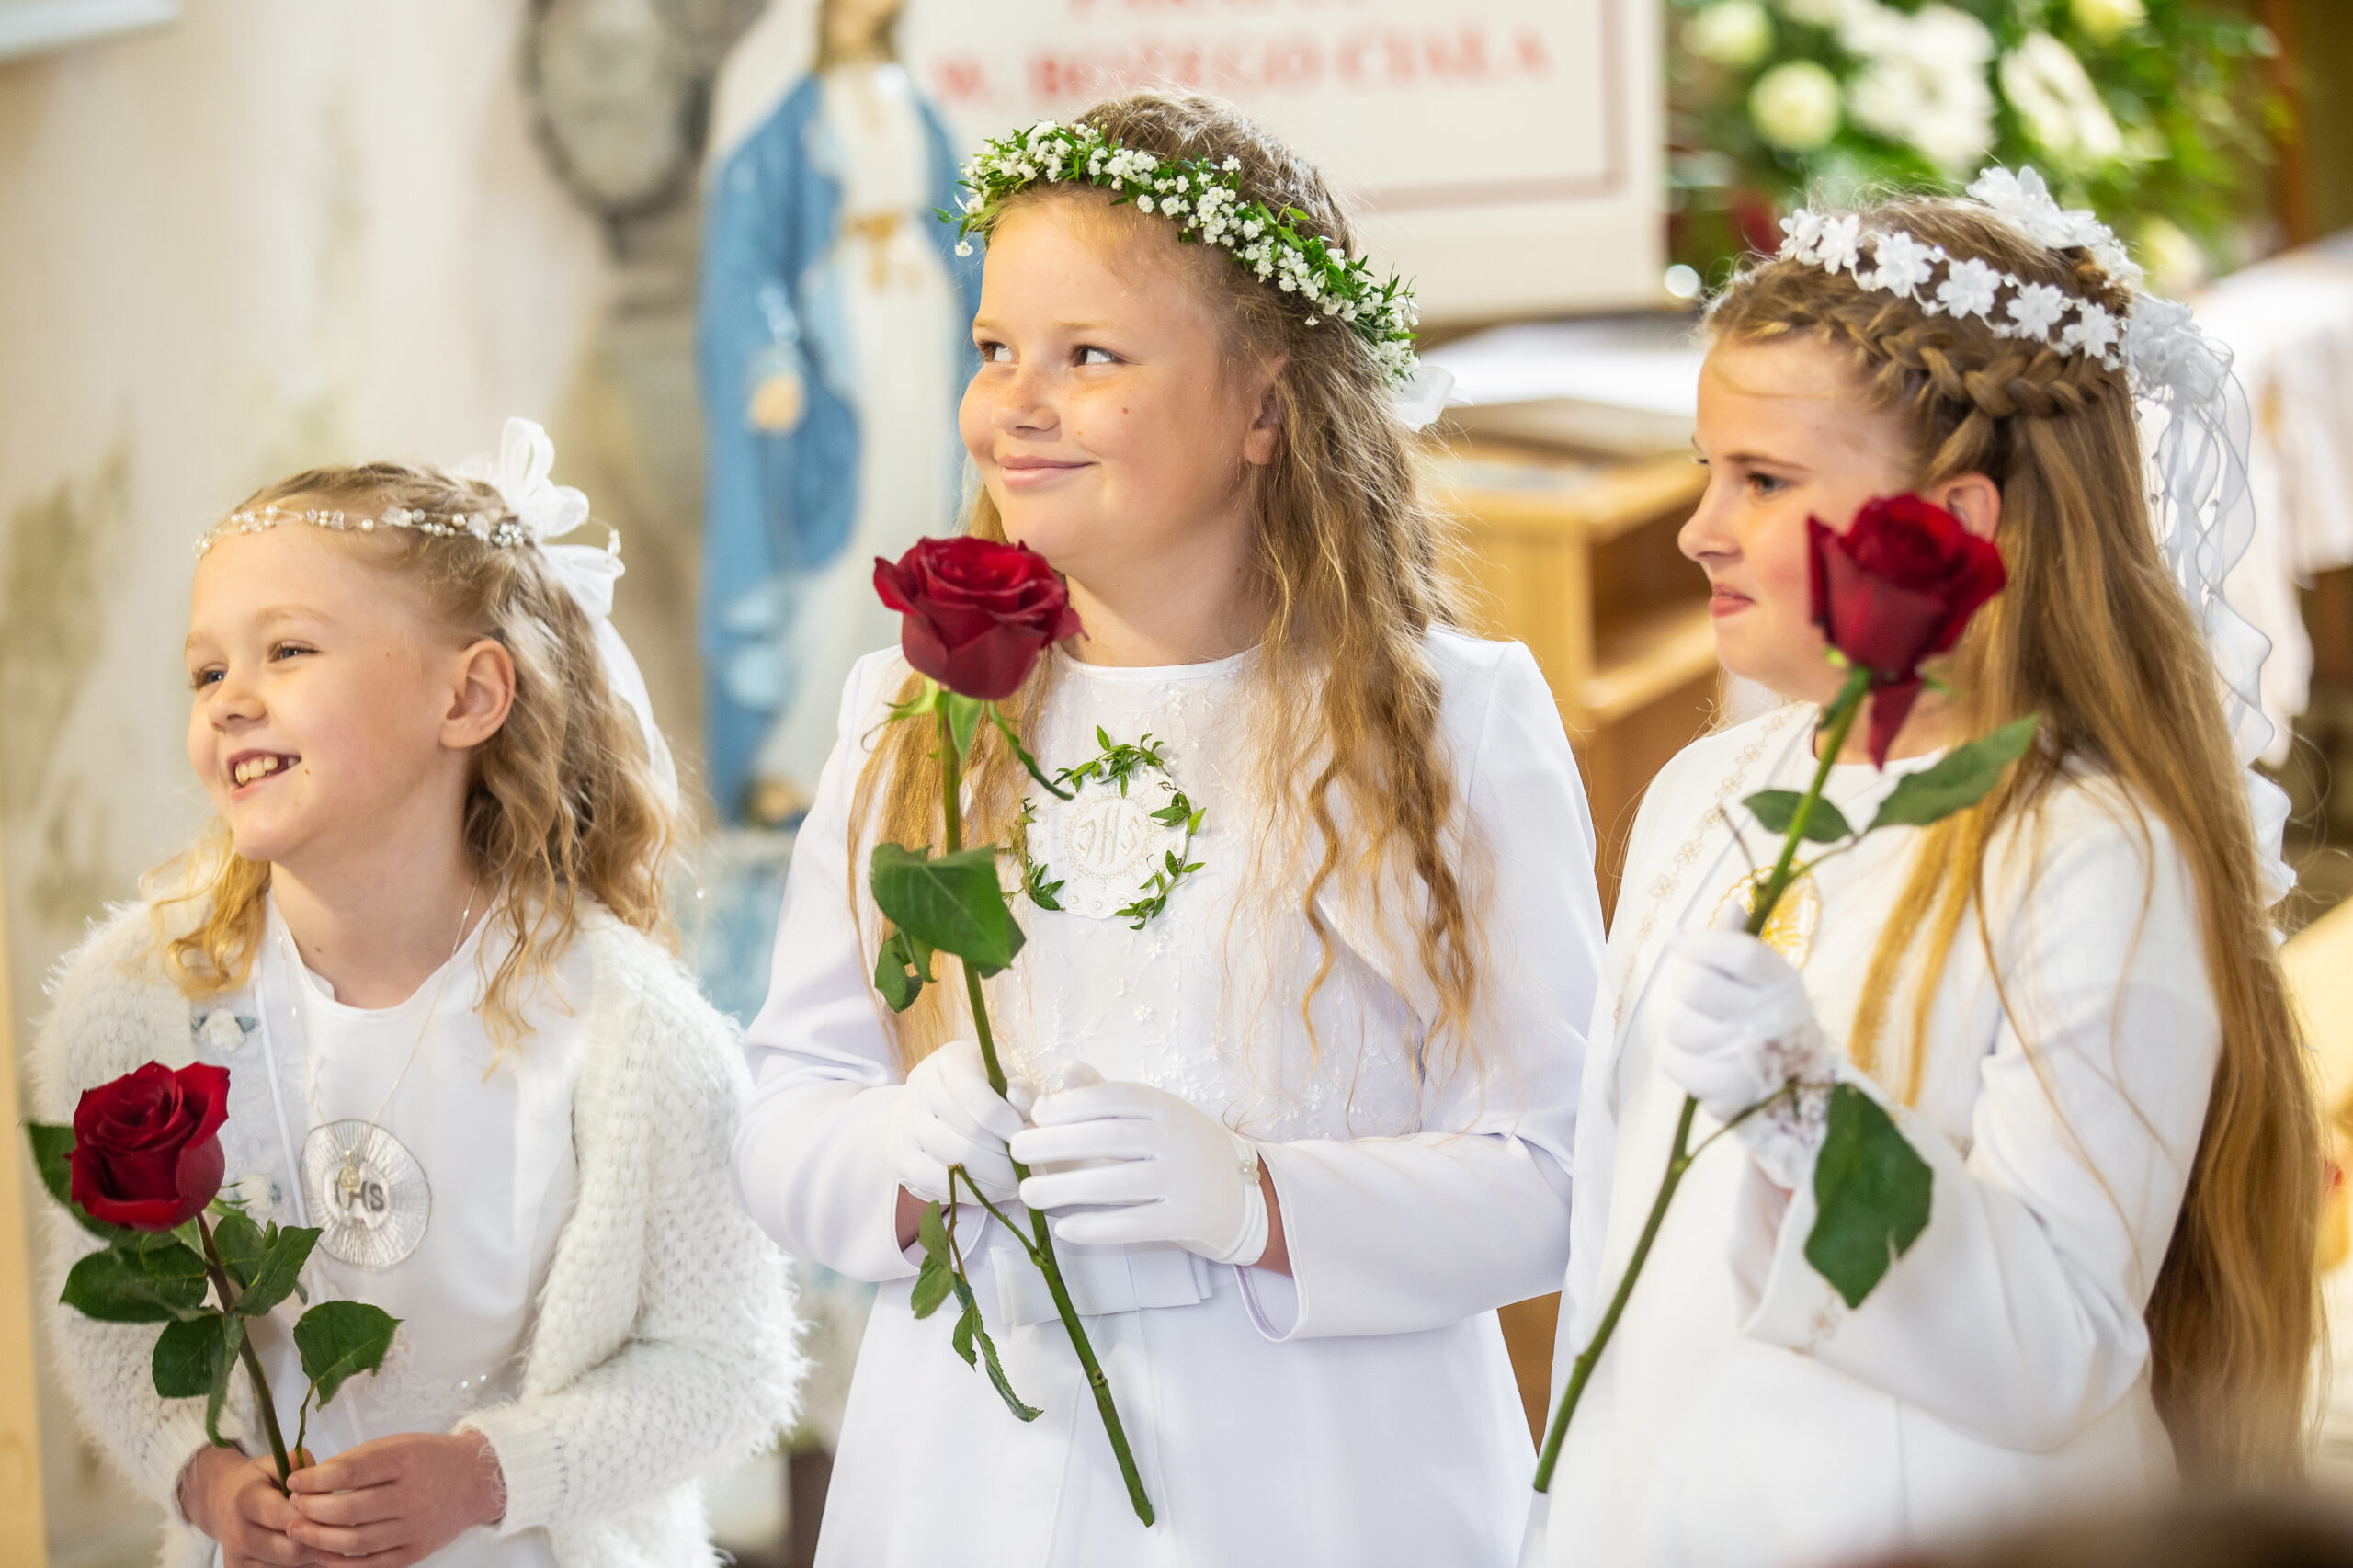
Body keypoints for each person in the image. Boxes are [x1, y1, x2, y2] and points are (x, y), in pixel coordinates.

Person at [732, 93, 1605, 1565]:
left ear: (1265, 404)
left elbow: (1564, 1167)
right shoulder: (912, 706)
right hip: (971, 1477)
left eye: (1090, 356)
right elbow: (781, 1115)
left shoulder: (1450, 721)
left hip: (1325, 1479)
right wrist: (897, 1142)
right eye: (995, 348)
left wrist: (1261, 1199)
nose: (1017, 399)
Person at [1530, 174, 2320, 1568]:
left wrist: (1809, 1115)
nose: (1698, 527)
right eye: (1708, 468)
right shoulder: (1703, 791)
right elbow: (1619, 1243)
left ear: (1953, 522)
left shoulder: (2089, 848)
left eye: (1763, 480)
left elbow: (2059, 1345)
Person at [34, 420, 801, 1568]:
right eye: (206, 670)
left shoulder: (630, 1028)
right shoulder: (131, 1004)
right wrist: (205, 1477)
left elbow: (727, 1364)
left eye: (287, 650)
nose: (231, 697)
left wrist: (494, 1473)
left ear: (469, 696)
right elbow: (110, 1322)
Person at [696, 0, 980, 825]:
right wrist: (769, 354)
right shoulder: (786, 108)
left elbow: (960, 218)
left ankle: (915, 735)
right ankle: (806, 749)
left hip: (919, 336)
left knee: (921, 521)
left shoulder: (906, 93)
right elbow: (745, 252)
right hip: (838, 352)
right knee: (835, 548)